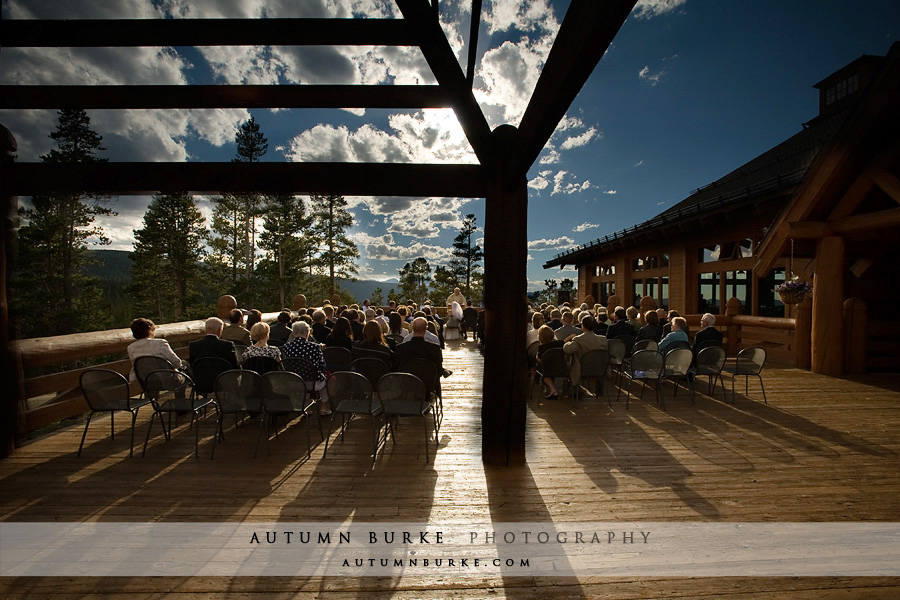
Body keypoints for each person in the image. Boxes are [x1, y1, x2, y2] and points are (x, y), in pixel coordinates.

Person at [281, 321, 330, 415]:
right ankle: (324, 406)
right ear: (307, 333)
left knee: (305, 373)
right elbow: (322, 365)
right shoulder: (314, 347)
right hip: (312, 383)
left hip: (294, 381)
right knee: (325, 378)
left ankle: (306, 407)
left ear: (293, 333)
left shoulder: (286, 347)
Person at [563, 315, 607, 388]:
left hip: (582, 369)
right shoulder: (603, 339)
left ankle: (574, 389)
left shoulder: (578, 339)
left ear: (583, 326)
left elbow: (567, 349)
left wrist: (567, 341)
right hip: (599, 367)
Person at [535, 324, 565, 399]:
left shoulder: (541, 348)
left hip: (548, 369)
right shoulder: (560, 343)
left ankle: (553, 390)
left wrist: (536, 357)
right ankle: (554, 391)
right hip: (560, 367)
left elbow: (540, 360)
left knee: (543, 374)